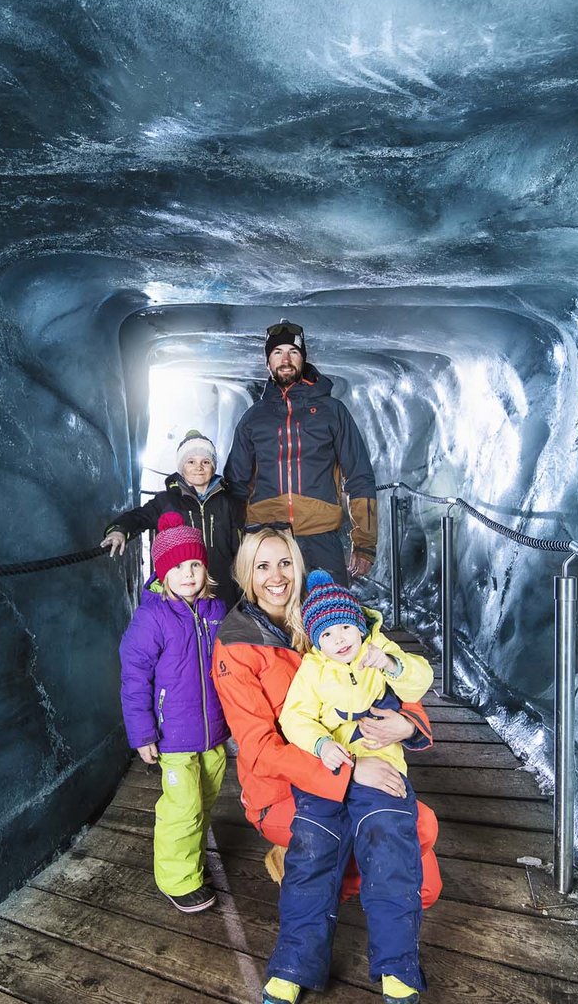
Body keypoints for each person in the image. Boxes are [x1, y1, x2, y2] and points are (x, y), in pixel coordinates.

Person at [211, 525, 444, 909]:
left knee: (425, 888)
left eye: (285, 563)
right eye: (262, 566)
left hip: (357, 757)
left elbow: (388, 665)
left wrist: (408, 724)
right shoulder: (235, 645)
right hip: (286, 788)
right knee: (418, 830)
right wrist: (349, 771)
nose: (276, 577)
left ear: (298, 565)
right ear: (246, 574)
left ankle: (319, 865)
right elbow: (259, 749)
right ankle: (309, 863)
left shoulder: (327, 613)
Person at [267, 569, 431, 1003]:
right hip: (328, 773)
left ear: (359, 626)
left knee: (390, 845)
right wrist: (321, 744)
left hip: (380, 769)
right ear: (315, 640)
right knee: (310, 856)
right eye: (326, 633)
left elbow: (420, 680)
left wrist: (392, 664)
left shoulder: (380, 650)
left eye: (345, 627)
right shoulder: (312, 670)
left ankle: (397, 967)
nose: (339, 639)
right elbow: (294, 717)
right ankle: (293, 965)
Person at [117, 512, 230, 913]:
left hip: (213, 732)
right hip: (173, 735)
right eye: (178, 567)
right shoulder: (152, 617)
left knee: (205, 800)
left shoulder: (216, 610)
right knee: (183, 808)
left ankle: (192, 862)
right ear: (163, 572)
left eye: (195, 564)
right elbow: (134, 677)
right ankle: (178, 880)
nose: (188, 574)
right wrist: (143, 733)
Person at [223, 321, 378, 584]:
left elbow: (359, 476)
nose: (285, 360)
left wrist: (364, 544)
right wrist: (234, 543)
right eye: (277, 353)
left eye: (293, 352)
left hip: (322, 538)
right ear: (268, 362)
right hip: (267, 539)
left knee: (329, 608)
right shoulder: (253, 418)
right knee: (271, 609)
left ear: (303, 357)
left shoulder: (333, 411)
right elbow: (236, 485)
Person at [101, 429, 239, 591]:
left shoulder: (227, 502)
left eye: (206, 462)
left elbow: (240, 546)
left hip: (224, 588)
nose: (199, 467)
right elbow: (139, 516)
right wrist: (120, 530)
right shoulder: (166, 501)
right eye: (191, 462)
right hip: (182, 590)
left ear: (213, 467)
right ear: (181, 467)